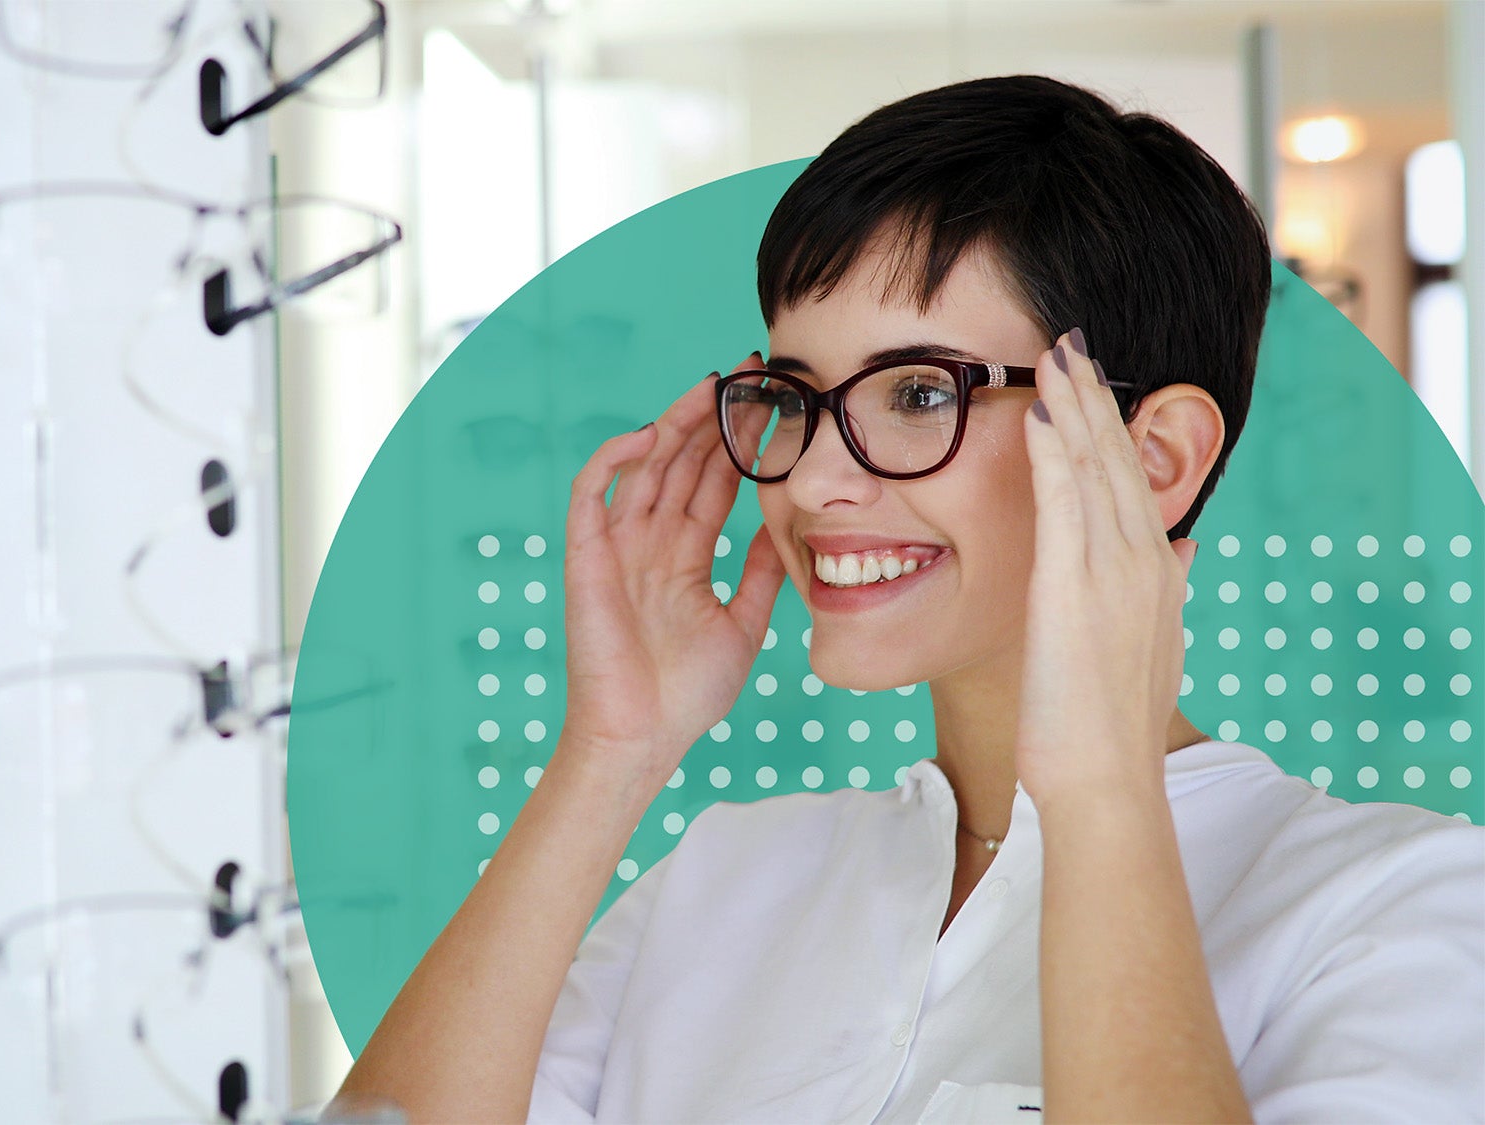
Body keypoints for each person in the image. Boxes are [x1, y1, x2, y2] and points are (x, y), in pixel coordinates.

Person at [331, 75, 1485, 1123]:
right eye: (794, 393)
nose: (816, 480)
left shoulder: (1399, 907)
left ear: (1157, 459)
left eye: (921, 394)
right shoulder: (725, 878)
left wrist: (1099, 797)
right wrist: (611, 752)